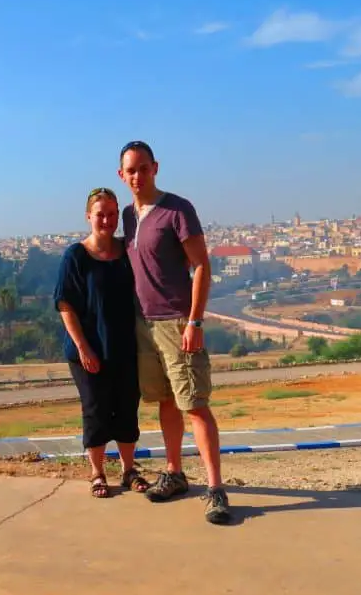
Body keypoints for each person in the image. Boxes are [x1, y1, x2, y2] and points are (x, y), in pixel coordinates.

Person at [118, 140, 232, 525]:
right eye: (130, 170)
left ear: (155, 168)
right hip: (144, 324)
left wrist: (195, 321)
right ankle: (175, 473)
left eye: (143, 168)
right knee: (166, 401)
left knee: (195, 404)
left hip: (177, 321)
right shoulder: (127, 216)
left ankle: (216, 488)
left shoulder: (177, 209)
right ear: (122, 175)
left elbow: (201, 265)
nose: (137, 176)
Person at [54, 187, 150, 498]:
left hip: (125, 346)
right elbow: (65, 304)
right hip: (88, 348)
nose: (107, 220)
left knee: (126, 409)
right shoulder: (76, 256)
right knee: (95, 409)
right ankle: (97, 472)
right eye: (100, 214)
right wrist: (83, 348)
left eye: (111, 214)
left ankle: (128, 469)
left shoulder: (127, 251)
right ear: (88, 217)